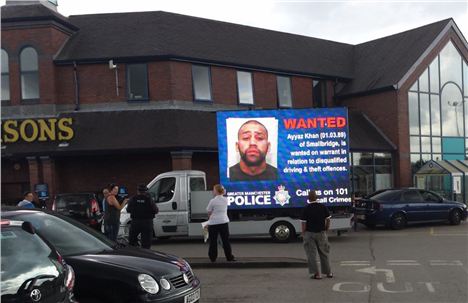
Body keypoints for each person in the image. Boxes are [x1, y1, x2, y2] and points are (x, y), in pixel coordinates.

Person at [301, 190, 333, 279]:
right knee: (324, 253)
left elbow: (303, 223)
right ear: (317, 197)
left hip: (309, 233)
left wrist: (303, 233)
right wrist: (327, 228)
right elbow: (328, 219)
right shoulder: (322, 207)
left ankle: (317, 274)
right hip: (321, 232)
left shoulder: (306, 208)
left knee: (311, 254)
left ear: (308, 198)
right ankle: (328, 273)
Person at [206, 184, 235, 262]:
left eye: (213, 190)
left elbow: (209, 211)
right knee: (226, 240)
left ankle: (213, 258)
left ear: (216, 191)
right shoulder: (226, 200)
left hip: (213, 223)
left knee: (213, 241)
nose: (213, 191)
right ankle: (229, 257)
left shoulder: (212, 201)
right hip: (224, 222)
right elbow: (224, 193)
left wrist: (209, 219)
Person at [127, 184, 158, 249]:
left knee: (132, 240)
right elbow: (156, 210)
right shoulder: (149, 199)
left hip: (135, 222)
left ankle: (133, 253)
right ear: (145, 191)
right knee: (146, 242)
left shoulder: (133, 198)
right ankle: (145, 255)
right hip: (147, 222)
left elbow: (128, 209)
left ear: (138, 191)